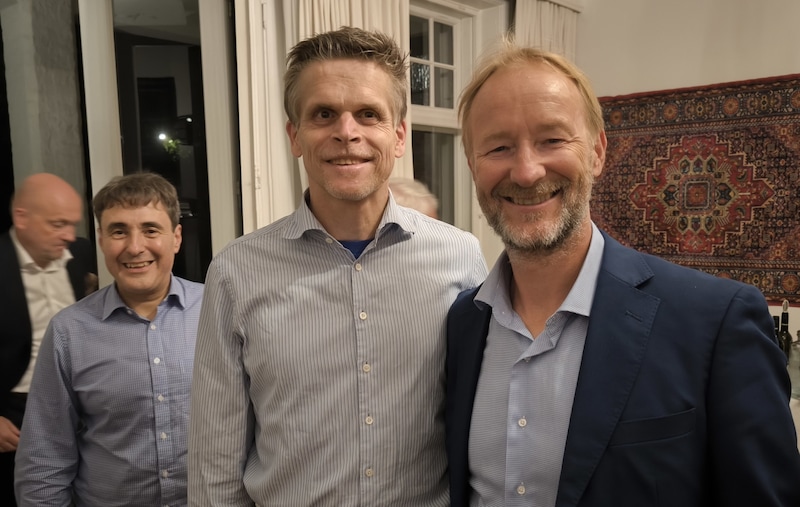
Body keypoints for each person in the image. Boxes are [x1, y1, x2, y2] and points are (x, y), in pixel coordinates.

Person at [445, 38, 800, 507]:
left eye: (552, 139)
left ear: (597, 152)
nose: (527, 171)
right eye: (499, 147)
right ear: (473, 165)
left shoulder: (715, 322)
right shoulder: (463, 324)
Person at [188, 27, 487, 506]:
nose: (347, 132)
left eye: (368, 114)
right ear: (295, 136)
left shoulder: (460, 257)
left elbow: (481, 419)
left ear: (398, 135)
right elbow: (215, 461)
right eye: (323, 113)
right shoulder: (235, 273)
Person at [15, 172, 204, 507]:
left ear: (176, 237)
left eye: (150, 230)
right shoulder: (68, 332)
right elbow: (44, 459)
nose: (134, 247)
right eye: (119, 231)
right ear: (101, 239)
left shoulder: (218, 311)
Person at [0, 173, 95, 507]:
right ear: (21, 218)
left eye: (73, 224)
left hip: (80, 403)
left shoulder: (80, 255)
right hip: (15, 412)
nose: (69, 236)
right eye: (58, 224)